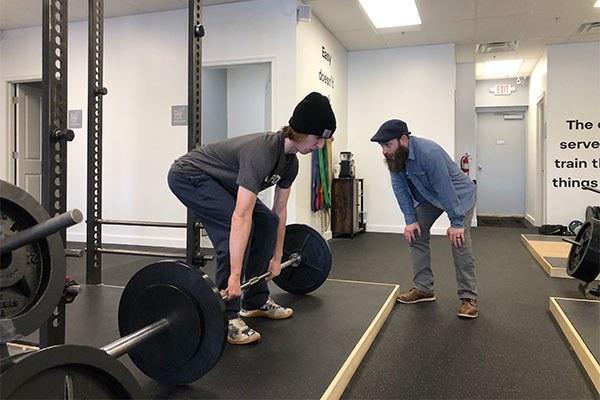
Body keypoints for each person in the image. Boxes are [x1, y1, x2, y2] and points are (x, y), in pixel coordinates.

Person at [167, 92, 336, 344]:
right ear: (301, 131)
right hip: (189, 176)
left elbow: (279, 212)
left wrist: (278, 257)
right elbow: (241, 217)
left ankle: (255, 301)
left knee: (266, 221)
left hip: (222, 181)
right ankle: (228, 315)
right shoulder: (262, 151)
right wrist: (235, 277)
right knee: (231, 229)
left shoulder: (291, 163)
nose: (320, 146)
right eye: (318, 138)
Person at [370, 119, 479, 318]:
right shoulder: (396, 157)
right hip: (430, 198)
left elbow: (445, 188)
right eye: (382, 146)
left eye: (388, 145)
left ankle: (468, 297)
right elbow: (400, 188)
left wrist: (455, 223)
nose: (384, 151)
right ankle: (424, 288)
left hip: (459, 195)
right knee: (416, 234)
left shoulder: (429, 153)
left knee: (459, 241)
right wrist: (410, 220)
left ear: (403, 139)